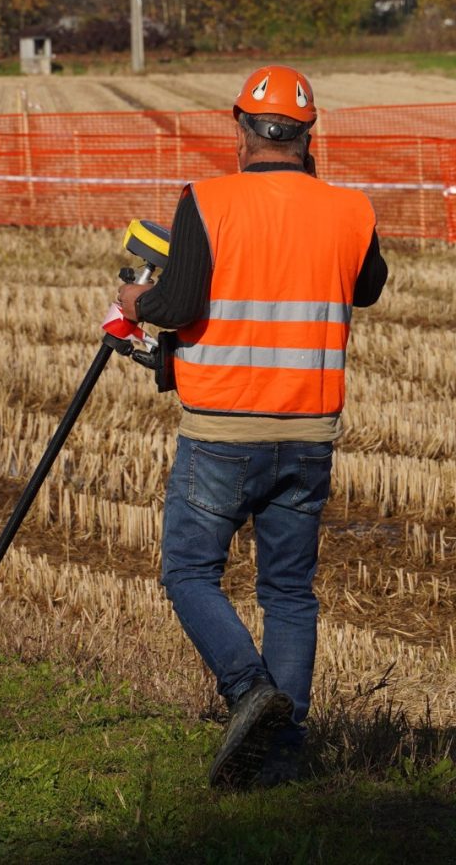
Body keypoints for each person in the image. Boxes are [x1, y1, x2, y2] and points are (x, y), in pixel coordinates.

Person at [117, 65, 388, 789]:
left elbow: (175, 305)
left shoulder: (207, 201)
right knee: (290, 593)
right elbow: (367, 287)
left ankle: (248, 691)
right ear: (308, 135)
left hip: (222, 430)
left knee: (189, 571)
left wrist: (133, 299)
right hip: (309, 431)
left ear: (240, 129)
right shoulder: (351, 209)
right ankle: (283, 756)